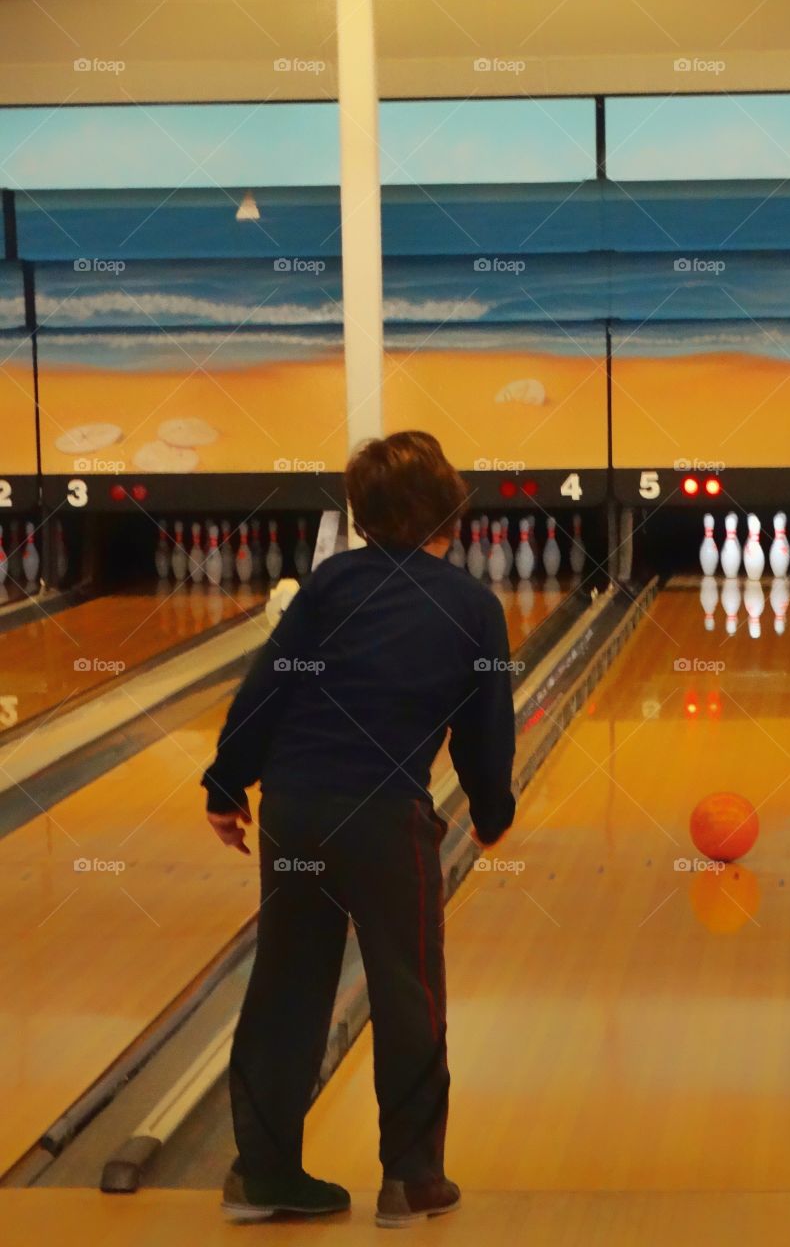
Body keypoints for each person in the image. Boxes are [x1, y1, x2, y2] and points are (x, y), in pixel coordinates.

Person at [202, 431, 516, 1227]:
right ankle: (411, 1181)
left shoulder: (331, 583)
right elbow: (487, 732)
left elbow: (266, 686)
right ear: (453, 506)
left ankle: (263, 1174)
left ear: (363, 515)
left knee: (286, 986)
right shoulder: (475, 608)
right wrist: (491, 813)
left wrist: (225, 782)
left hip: (296, 814)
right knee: (407, 990)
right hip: (385, 823)